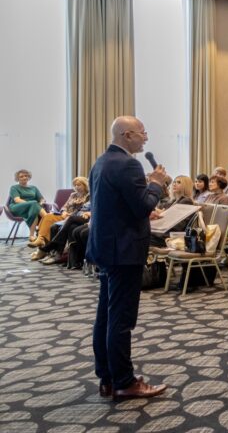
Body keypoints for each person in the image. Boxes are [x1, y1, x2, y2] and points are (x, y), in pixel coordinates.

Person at [85, 115, 169, 401]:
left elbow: (116, 205)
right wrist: (156, 184)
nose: (146, 138)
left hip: (106, 248)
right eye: (142, 133)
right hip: (124, 251)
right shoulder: (129, 164)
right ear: (127, 134)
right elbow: (142, 205)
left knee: (105, 317)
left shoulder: (101, 161)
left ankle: (107, 378)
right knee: (121, 319)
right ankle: (124, 381)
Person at [31, 176, 89, 249]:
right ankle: (41, 239)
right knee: (48, 216)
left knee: (51, 222)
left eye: (79, 185)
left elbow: (84, 210)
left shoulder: (88, 196)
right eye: (75, 185)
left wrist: (70, 215)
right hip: (65, 215)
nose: (76, 187)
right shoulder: (73, 195)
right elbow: (65, 206)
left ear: (85, 185)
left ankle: (44, 246)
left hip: (74, 217)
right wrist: (64, 212)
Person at [9, 169, 47, 241]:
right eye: (21, 176)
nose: (24, 177)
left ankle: (32, 236)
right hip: (17, 207)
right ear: (17, 178)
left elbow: (42, 199)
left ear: (28, 177)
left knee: (34, 210)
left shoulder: (34, 188)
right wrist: (31, 204)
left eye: (26, 176)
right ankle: (48, 218)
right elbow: (17, 200)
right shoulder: (14, 187)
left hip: (32, 207)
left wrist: (41, 203)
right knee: (34, 204)